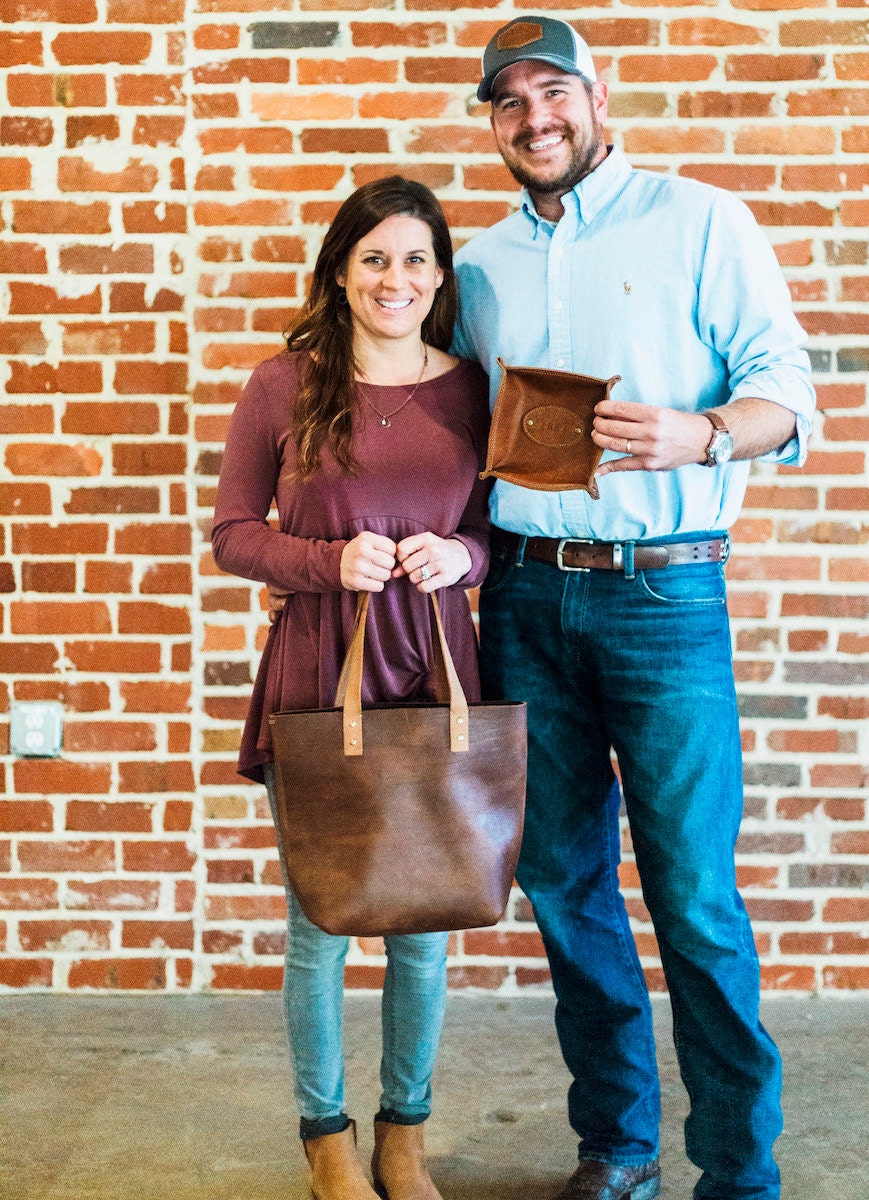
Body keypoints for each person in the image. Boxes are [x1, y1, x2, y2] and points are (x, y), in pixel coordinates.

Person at [452, 16, 817, 1200]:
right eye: (507, 103)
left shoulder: (700, 219)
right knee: (563, 887)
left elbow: (785, 396)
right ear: (494, 125)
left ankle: (736, 1172)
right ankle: (617, 1148)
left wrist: (699, 433)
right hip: (522, 598)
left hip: (667, 594)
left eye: (551, 92)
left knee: (693, 898)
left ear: (597, 96)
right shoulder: (481, 264)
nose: (533, 119)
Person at [212, 175, 492, 1200]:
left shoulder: (472, 390)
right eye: (374, 256)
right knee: (319, 921)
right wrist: (326, 563)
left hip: (431, 667)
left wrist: (457, 560)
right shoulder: (282, 384)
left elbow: (494, 537)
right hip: (318, 668)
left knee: (421, 922)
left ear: (440, 276)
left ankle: (403, 1133)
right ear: (340, 270)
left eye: (416, 257)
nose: (395, 277)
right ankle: (326, 1136)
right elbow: (233, 535)